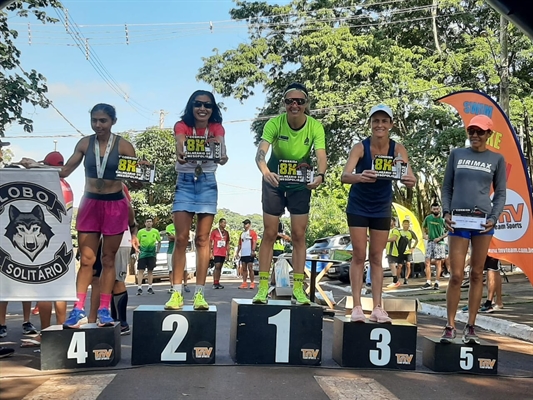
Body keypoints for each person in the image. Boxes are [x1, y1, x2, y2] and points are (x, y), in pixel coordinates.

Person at [22, 103, 138, 328]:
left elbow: (133, 180)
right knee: (86, 260)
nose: (98, 125)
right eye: (94, 120)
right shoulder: (85, 143)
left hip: (115, 205)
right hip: (90, 203)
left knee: (108, 259)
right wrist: (37, 166)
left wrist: (141, 170)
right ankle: (78, 310)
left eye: (103, 120)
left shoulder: (124, 146)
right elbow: (65, 171)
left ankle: (105, 310)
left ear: (113, 121)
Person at [341, 104, 416, 323]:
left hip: (382, 206)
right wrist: (360, 176)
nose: (380, 125)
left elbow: (410, 179)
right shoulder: (360, 148)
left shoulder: (398, 149)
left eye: (384, 121)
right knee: (358, 254)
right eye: (376, 121)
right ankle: (356, 306)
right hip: (358, 205)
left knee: (376, 256)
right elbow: (345, 176)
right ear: (370, 124)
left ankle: (377, 307)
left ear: (391, 125)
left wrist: (410, 180)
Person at [253, 82, 327, 305]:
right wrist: (266, 171)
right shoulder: (274, 123)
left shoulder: (315, 126)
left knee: (298, 235)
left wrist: (320, 176)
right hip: (274, 181)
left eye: (299, 101)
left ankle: (298, 288)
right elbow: (260, 153)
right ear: (284, 104)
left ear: (306, 104)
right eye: (289, 101)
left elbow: (321, 155)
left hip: (300, 184)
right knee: (269, 232)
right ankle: (263, 287)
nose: (294, 105)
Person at [440, 114, 506, 344]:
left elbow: (500, 193)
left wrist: (494, 217)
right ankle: (450, 325)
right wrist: (446, 212)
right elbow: (446, 186)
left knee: (477, 274)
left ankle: (471, 325)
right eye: (471, 131)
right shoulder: (456, 154)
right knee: (456, 275)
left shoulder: (496, 159)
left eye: (480, 131)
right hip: (458, 221)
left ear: (489, 134)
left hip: (482, 223)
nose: (475, 135)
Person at [165, 90, 228, 311]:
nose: (203, 109)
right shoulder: (181, 125)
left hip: (207, 182)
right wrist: (181, 151)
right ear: (191, 106)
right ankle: (176, 294)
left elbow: (222, 148)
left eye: (207, 105)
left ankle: (200, 294)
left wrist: (222, 155)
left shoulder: (216, 127)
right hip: (184, 182)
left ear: (213, 109)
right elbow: (180, 142)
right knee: (181, 238)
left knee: (202, 240)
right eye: (198, 104)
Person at [422, 203, 447, 290]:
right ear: (431, 209)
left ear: (439, 209)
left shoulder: (443, 220)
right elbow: (423, 227)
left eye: (437, 209)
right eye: (434, 209)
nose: (436, 210)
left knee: (438, 262)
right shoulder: (428, 218)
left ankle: (437, 282)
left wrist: (440, 238)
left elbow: (449, 231)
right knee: (427, 261)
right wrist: (424, 235)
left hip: (440, 243)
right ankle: (428, 281)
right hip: (430, 242)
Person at [136, 218, 161, 295]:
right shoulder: (140, 232)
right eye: (147, 222)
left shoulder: (155, 231)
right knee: (141, 270)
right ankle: (139, 288)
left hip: (151, 254)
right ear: (145, 223)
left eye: (150, 222)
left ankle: (150, 287)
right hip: (142, 254)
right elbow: (137, 242)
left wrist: (157, 251)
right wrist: (137, 252)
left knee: (150, 270)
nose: (149, 223)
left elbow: (159, 241)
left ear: (152, 223)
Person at [236, 219, 258, 290]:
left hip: (249, 253)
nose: (245, 225)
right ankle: (244, 283)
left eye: (246, 224)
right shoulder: (242, 234)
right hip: (243, 253)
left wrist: (253, 251)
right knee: (244, 269)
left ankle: (252, 283)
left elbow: (254, 242)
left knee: (250, 268)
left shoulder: (252, 233)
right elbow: (239, 244)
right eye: (244, 224)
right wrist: (237, 253)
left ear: (249, 224)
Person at [210, 218, 230, 289]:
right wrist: (210, 252)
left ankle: (217, 282)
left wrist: (228, 253)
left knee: (220, 267)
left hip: (223, 252)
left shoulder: (226, 233)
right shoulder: (215, 231)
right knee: (217, 267)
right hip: (216, 252)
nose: (225, 224)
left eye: (225, 223)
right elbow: (211, 242)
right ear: (220, 223)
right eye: (223, 223)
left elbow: (227, 243)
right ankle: (215, 283)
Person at [397, 219, 418, 285]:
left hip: (408, 251)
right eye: (404, 224)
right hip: (400, 251)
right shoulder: (399, 232)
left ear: (409, 225)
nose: (406, 225)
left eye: (407, 224)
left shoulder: (411, 232)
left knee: (408, 265)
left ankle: (406, 278)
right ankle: (397, 279)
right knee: (399, 265)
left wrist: (413, 247)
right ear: (402, 225)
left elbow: (416, 240)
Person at [385, 218, 401, 288]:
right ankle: (395, 280)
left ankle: (395, 281)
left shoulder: (395, 230)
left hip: (394, 250)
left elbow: (394, 238)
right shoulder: (389, 231)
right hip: (389, 251)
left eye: (390, 221)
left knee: (392, 264)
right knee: (391, 265)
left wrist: (384, 240)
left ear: (394, 222)